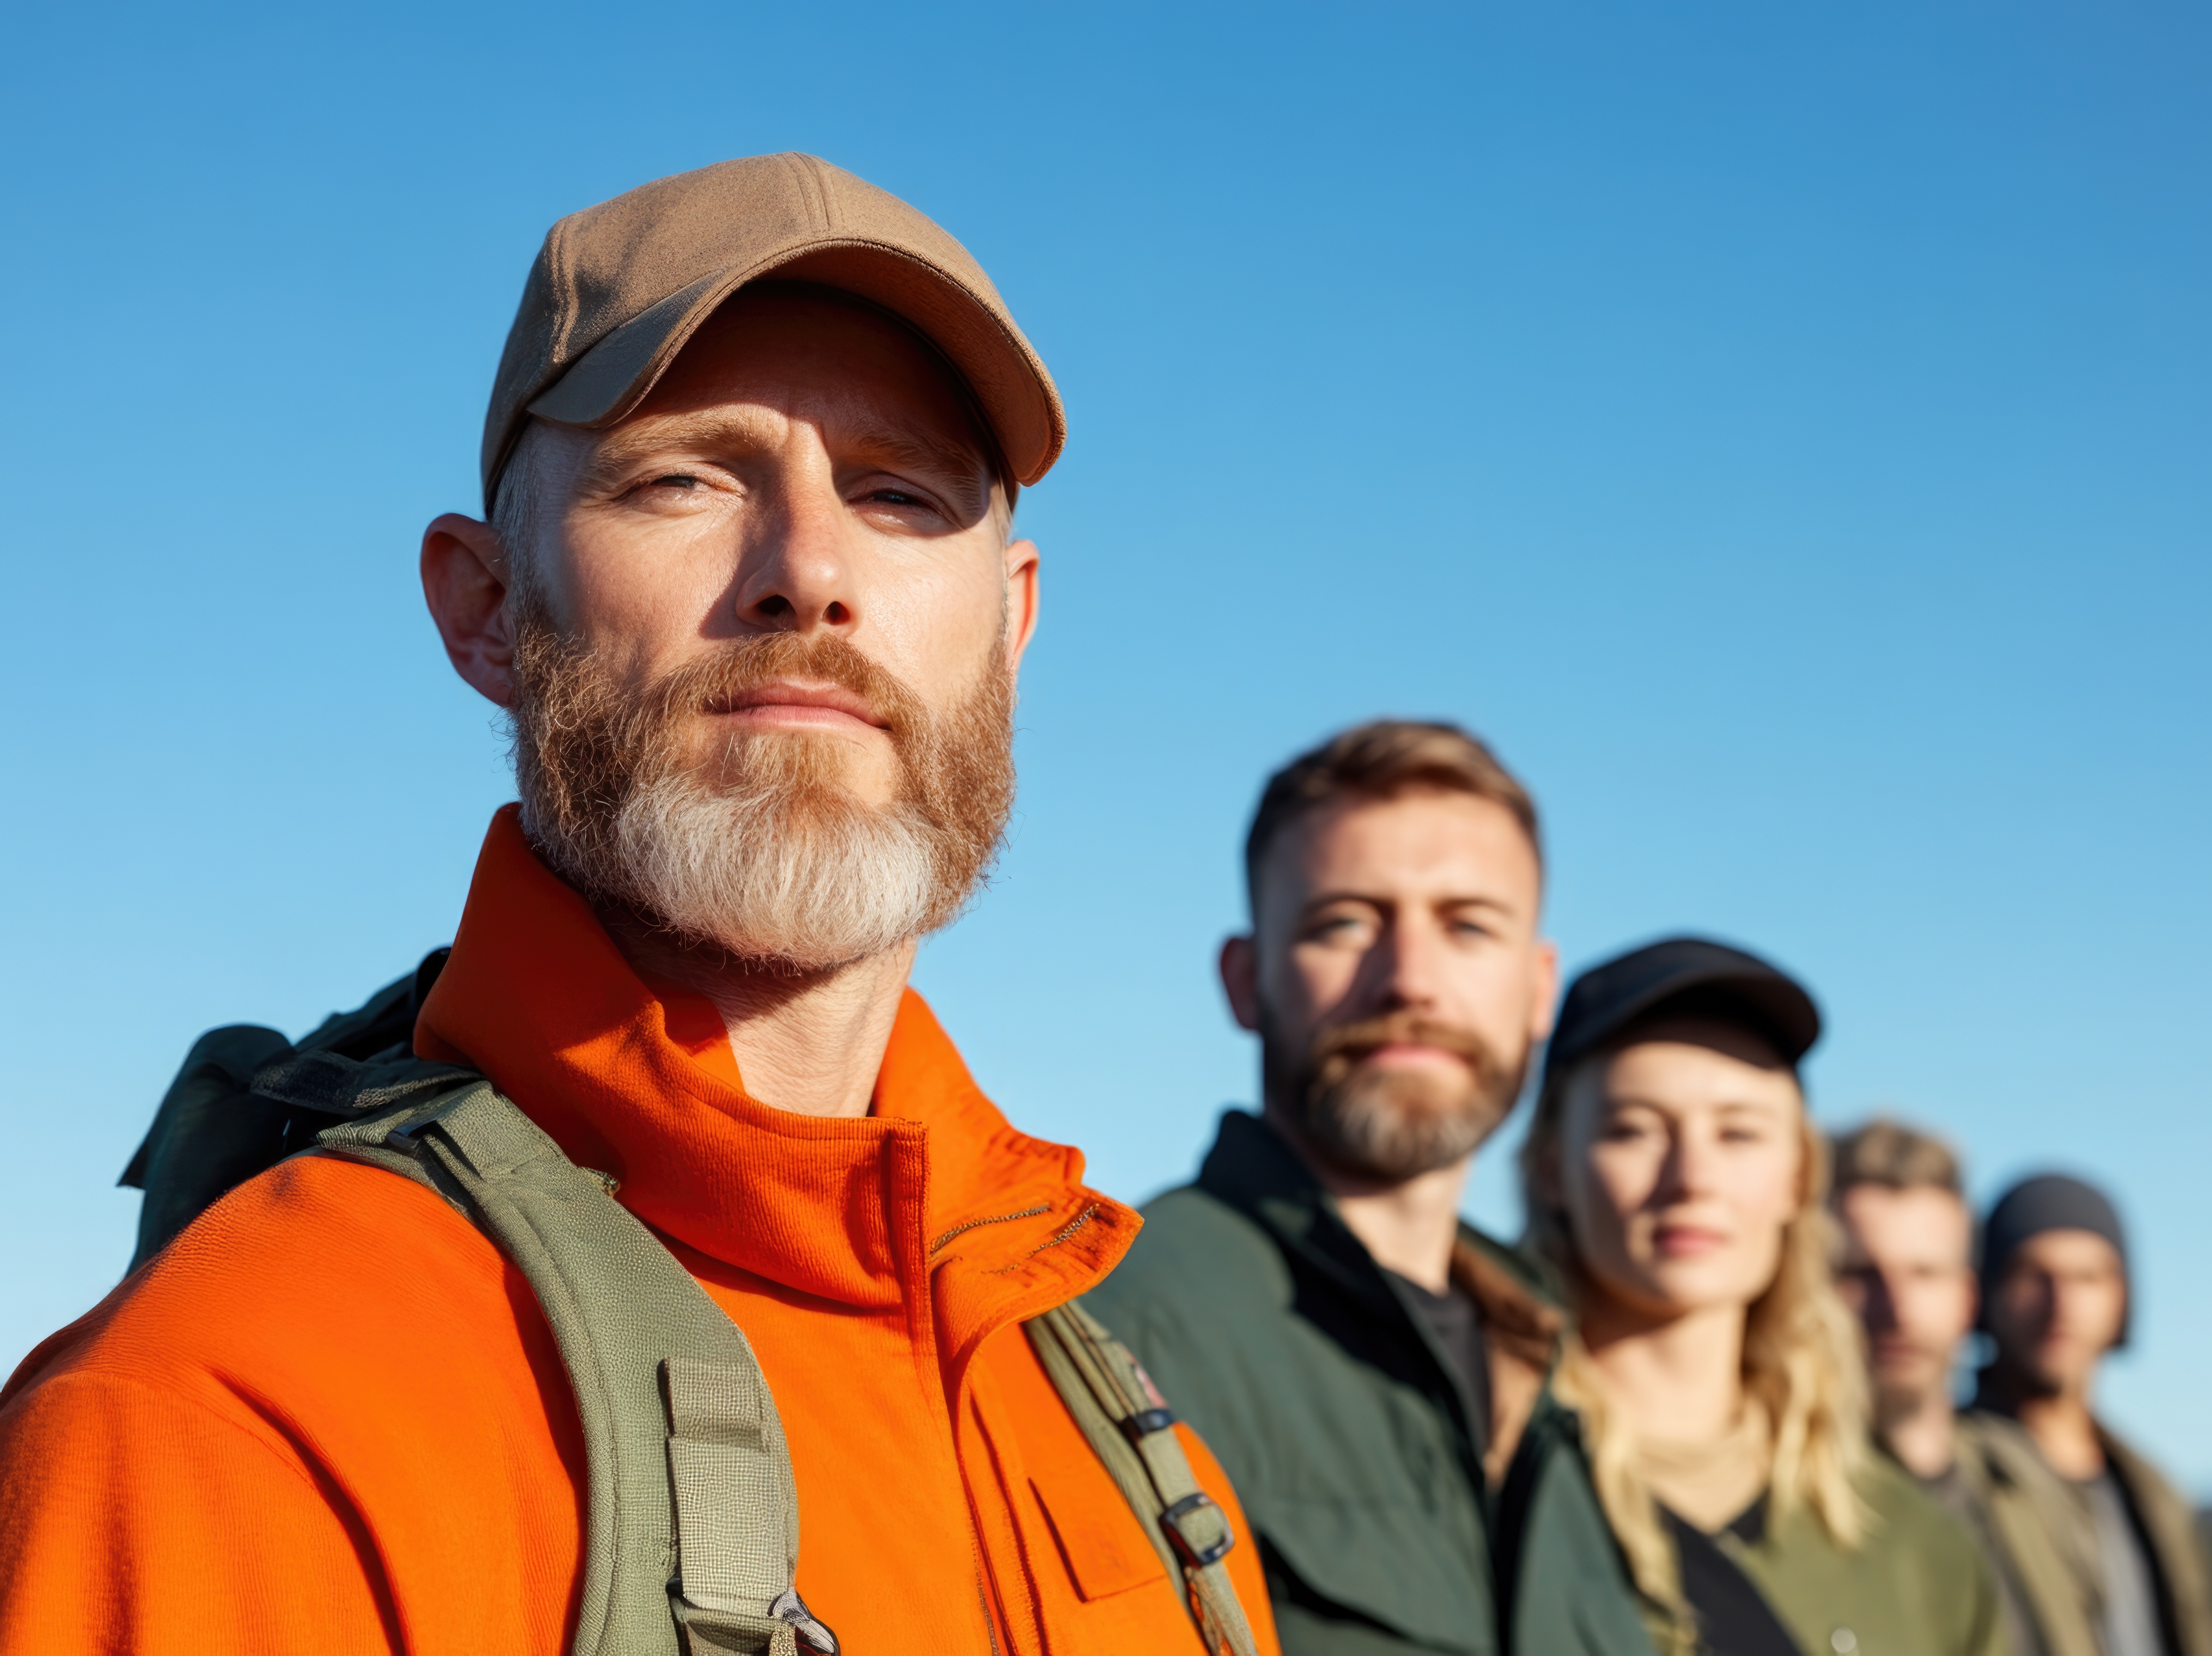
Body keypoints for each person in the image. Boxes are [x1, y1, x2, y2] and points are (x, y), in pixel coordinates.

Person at [0, 154, 1276, 1656]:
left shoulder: (1133, 1456)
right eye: (682, 476)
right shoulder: (227, 1419)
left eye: (899, 492)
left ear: (1007, 626)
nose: (808, 571)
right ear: (487, 606)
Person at [1083, 720, 1652, 1656]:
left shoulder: (1564, 1347)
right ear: (1245, 980)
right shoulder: (1128, 1327)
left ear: (1539, 987)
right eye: (1345, 923)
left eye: (1469, 925)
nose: (1410, 981)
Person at [1525, 939, 2003, 1656]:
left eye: (1739, 1133)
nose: (1693, 1178)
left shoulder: (1913, 1555)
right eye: (1635, 1129)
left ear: (1798, 1176)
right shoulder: (1473, 1483)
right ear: (1551, 1167)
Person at [1830, 1117, 2063, 1656]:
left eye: (1926, 1273)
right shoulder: (1785, 1500)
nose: (1897, 1308)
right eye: (1861, 1273)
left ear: (1968, 1296)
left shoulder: (2030, 1488)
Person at [1971, 1175, 2212, 1656]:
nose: (2061, 1304)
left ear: (2122, 1297)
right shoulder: (1950, 1472)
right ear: (1988, 1292)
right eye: (2033, 1274)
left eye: (2088, 1277)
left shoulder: (2154, 1494)